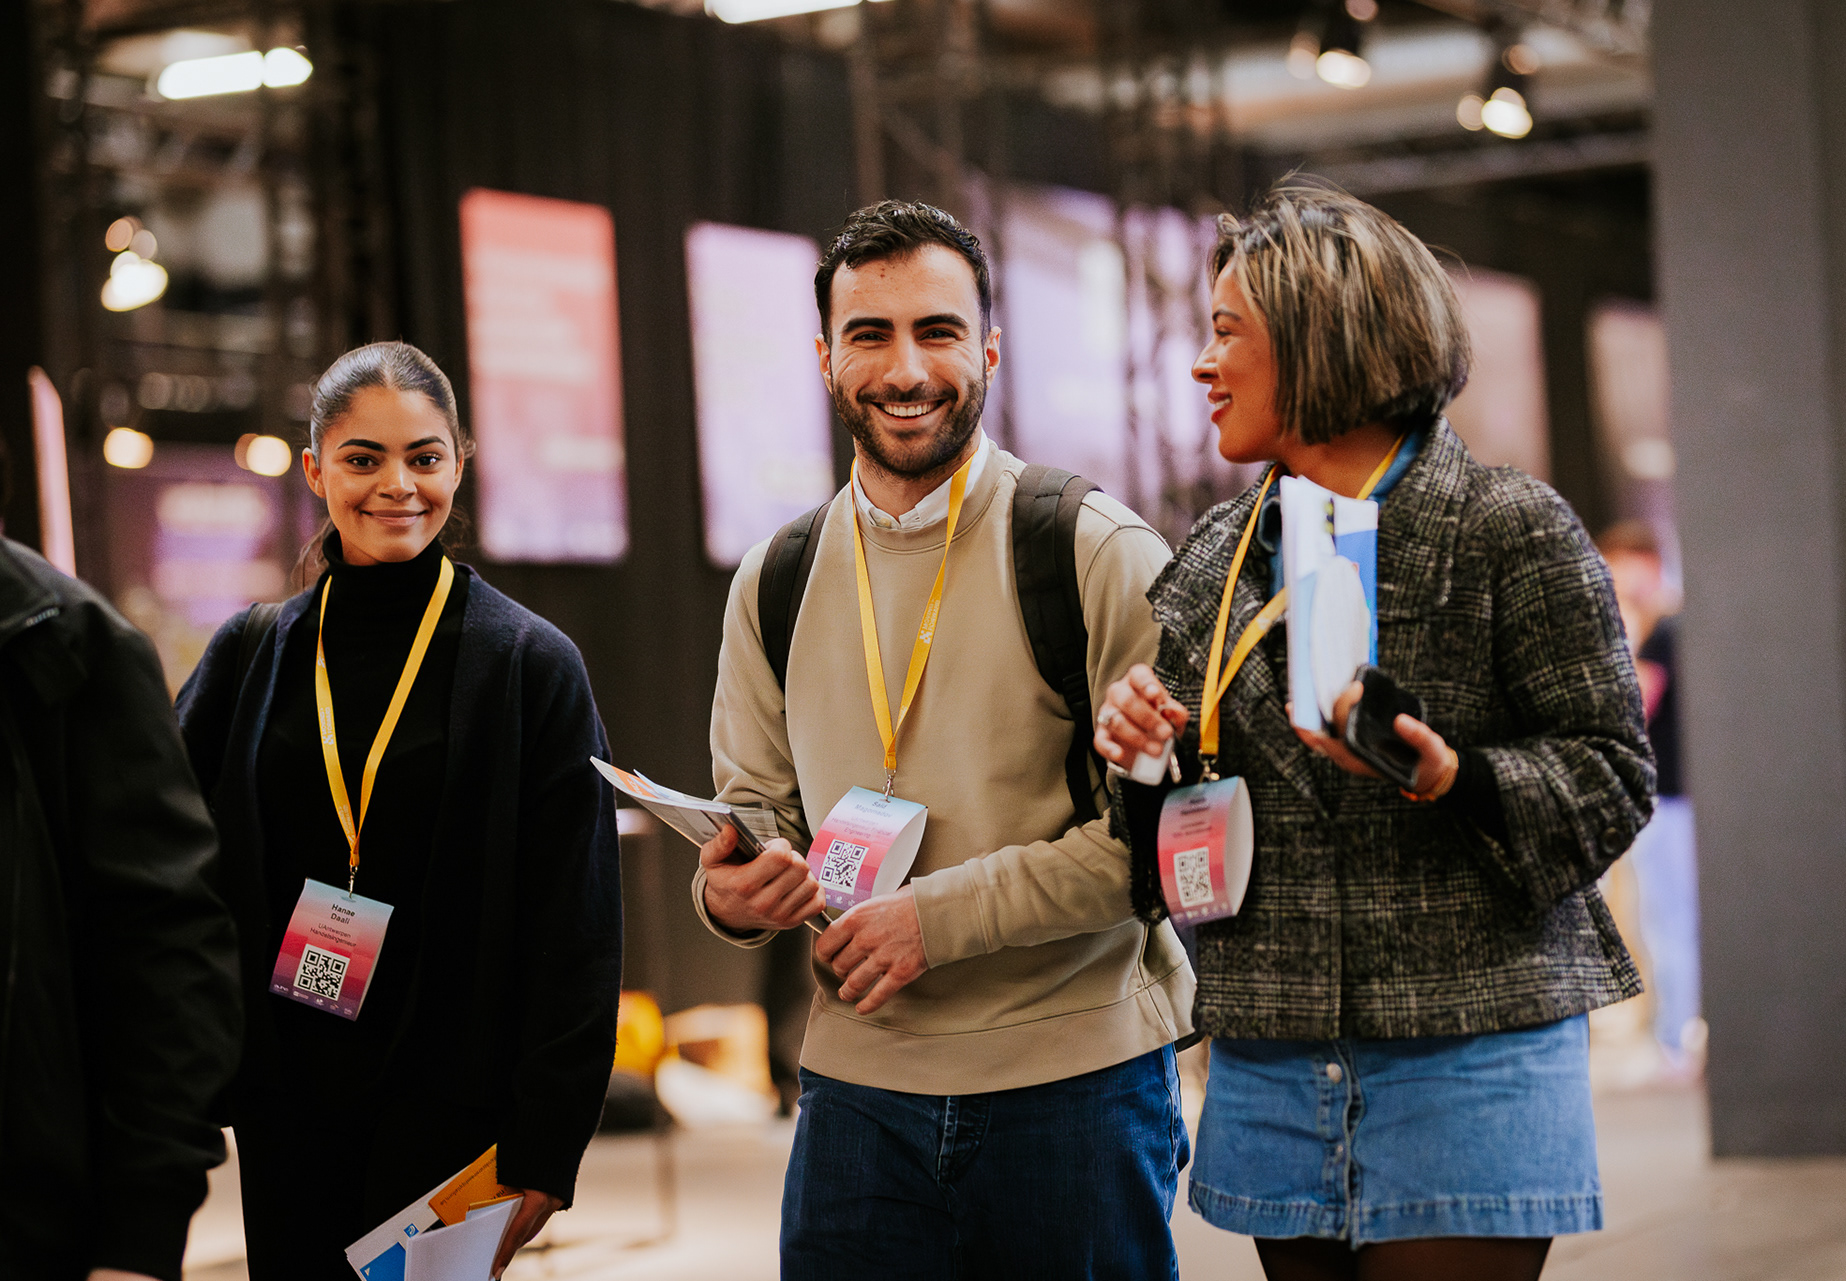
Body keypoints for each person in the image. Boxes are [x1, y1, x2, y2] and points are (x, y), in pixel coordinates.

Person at [1096, 185, 1654, 1281]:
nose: (1201, 365)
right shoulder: (1215, 554)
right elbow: (1160, 839)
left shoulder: (1507, 528)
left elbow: (1611, 775)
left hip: (1471, 1047)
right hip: (1274, 1055)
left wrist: (1455, 777)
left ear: (1322, 337)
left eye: (1227, 332)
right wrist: (1143, 755)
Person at [695, 200, 1194, 1278]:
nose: (906, 369)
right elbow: (754, 815)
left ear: (990, 351)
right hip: (856, 1097)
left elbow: (1160, 843)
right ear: (826, 360)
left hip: (1074, 1085)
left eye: (938, 331)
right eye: (870, 335)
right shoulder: (775, 577)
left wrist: (936, 920)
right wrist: (730, 896)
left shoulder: (1092, 550)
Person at [175, 342, 621, 1280]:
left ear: (460, 462)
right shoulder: (252, 653)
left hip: (456, 1111)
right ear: (315, 470)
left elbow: (577, 925)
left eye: (424, 457)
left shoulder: (531, 665)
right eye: (363, 458)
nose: (397, 485)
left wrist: (547, 1143)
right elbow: (169, 866)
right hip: (289, 1107)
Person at [0, 531, 243, 1281]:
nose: (396, 486)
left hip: (29, 1220)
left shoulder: (61, 638)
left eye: (425, 468)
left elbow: (165, 942)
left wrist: (141, 1234)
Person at [1597, 519, 1699, 1076]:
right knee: (1668, 918)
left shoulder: (1662, 631)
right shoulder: (1673, 627)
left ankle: (1676, 1039)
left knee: (1669, 920)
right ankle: (1678, 1034)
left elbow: (1634, 703)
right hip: (1671, 797)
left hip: (1669, 798)